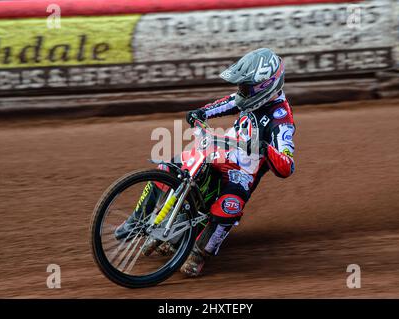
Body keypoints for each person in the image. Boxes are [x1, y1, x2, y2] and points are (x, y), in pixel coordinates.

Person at [116, 48, 296, 277]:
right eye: (241, 86)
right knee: (170, 167)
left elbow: (286, 166)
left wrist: (265, 149)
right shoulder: (249, 98)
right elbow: (231, 102)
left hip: (243, 171)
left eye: (245, 87)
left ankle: (199, 254)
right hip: (222, 149)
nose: (241, 92)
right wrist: (202, 112)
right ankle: (137, 219)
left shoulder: (282, 121)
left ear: (264, 86)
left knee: (229, 205)